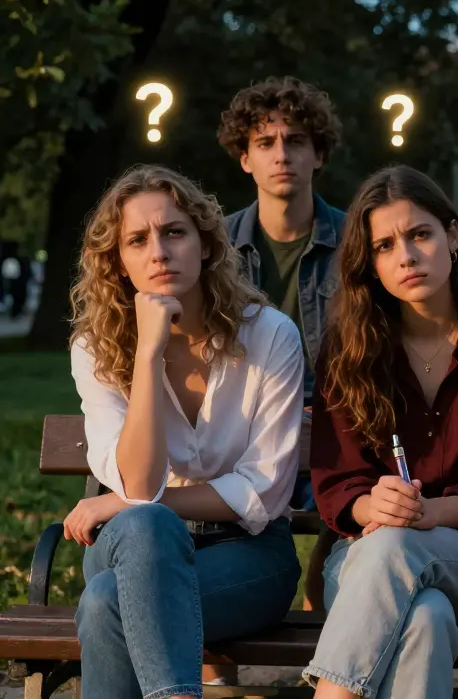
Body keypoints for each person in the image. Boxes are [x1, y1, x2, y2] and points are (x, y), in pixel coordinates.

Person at [303, 165, 458, 699]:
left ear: (453, 236)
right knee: (426, 618)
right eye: (385, 246)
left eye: (420, 235)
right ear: (370, 264)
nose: (407, 256)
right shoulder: (348, 349)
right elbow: (337, 481)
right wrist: (373, 505)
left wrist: (430, 513)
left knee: (397, 546)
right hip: (361, 556)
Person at [65, 164, 303, 699]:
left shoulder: (270, 337)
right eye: (137, 240)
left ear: (206, 244)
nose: (159, 252)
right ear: (118, 262)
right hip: (129, 547)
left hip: (248, 555)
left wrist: (125, 504)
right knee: (147, 526)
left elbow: (263, 494)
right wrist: (147, 355)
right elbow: (140, 486)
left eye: (174, 232)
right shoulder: (95, 349)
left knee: (106, 603)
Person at [217, 75, 347, 627]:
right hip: (241, 424)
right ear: (244, 158)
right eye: (265, 142)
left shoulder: (357, 243)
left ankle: (329, 630)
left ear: (318, 153)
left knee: (352, 510)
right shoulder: (215, 247)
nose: (281, 155)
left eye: (295, 141)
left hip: (336, 422)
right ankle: (218, 649)